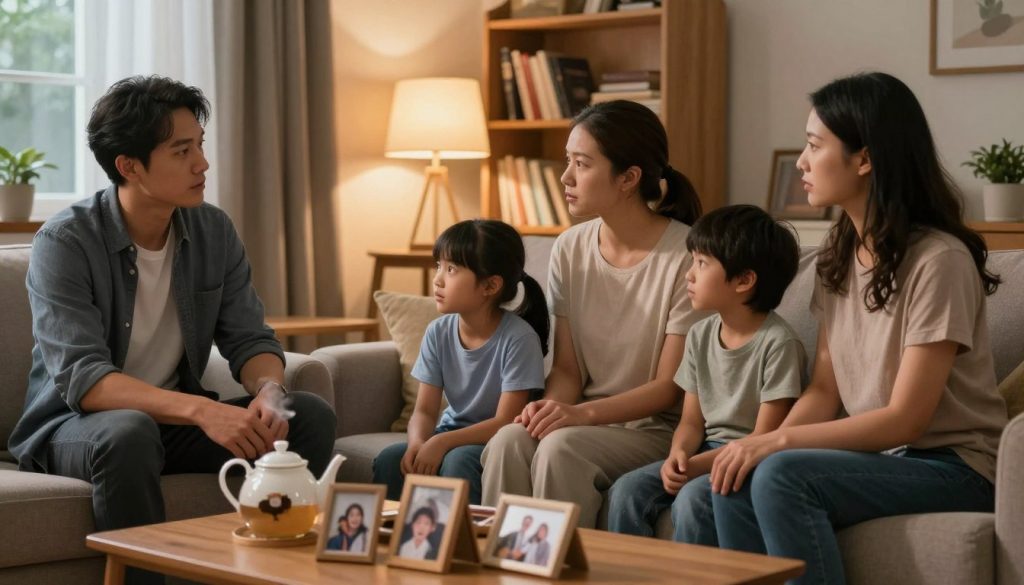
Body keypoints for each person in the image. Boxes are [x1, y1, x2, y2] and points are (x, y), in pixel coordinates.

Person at [6, 75, 336, 585]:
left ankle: (284, 574)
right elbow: (86, 381)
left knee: (304, 412)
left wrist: (269, 389)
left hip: (171, 421)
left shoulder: (212, 230)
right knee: (129, 429)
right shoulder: (65, 242)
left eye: (199, 145)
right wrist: (205, 411)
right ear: (129, 166)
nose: (202, 163)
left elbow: (250, 339)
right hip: (73, 429)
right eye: (182, 151)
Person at [708, 72, 1007, 585]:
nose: (801, 161)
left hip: (955, 466)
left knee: (779, 473)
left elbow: (906, 420)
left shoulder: (940, 261)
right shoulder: (839, 253)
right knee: (720, 484)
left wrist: (776, 446)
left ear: (864, 159)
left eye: (814, 145)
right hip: (882, 457)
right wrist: (750, 446)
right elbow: (825, 391)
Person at [481, 100, 705, 527]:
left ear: (628, 178)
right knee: (509, 439)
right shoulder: (570, 247)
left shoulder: (686, 254)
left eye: (581, 164)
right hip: (583, 419)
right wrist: (546, 410)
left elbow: (667, 390)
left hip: (653, 431)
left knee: (560, 448)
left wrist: (579, 416)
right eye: (568, 161)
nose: (565, 177)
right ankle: (503, 571)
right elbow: (567, 370)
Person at [607, 205, 805, 545]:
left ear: (744, 280)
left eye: (702, 263)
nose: (689, 274)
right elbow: (691, 423)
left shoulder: (779, 344)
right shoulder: (700, 335)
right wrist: (678, 455)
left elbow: (763, 437)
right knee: (627, 489)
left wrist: (695, 467)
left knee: (694, 499)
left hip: (747, 458)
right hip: (703, 450)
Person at [372, 220, 548, 505]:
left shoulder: (519, 339)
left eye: (452, 269)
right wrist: (418, 444)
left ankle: (461, 547)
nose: (438, 279)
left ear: (490, 285)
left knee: (457, 461)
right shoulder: (437, 332)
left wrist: (441, 442)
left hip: (494, 442)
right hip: (450, 433)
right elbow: (425, 411)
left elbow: (504, 422)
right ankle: (394, 544)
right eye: (438, 266)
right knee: (391, 460)